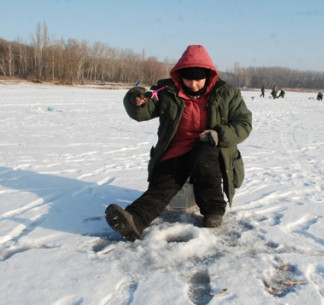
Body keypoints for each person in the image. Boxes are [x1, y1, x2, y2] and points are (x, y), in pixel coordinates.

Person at [105, 45, 252, 241]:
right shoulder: (166, 91)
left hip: (210, 147)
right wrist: (136, 100)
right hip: (177, 148)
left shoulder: (227, 93)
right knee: (165, 183)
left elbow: (244, 123)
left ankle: (213, 210)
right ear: (179, 76)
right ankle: (135, 219)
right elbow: (144, 111)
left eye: (198, 79)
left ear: (208, 76)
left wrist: (218, 134)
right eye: (188, 79)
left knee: (204, 159)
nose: (193, 84)